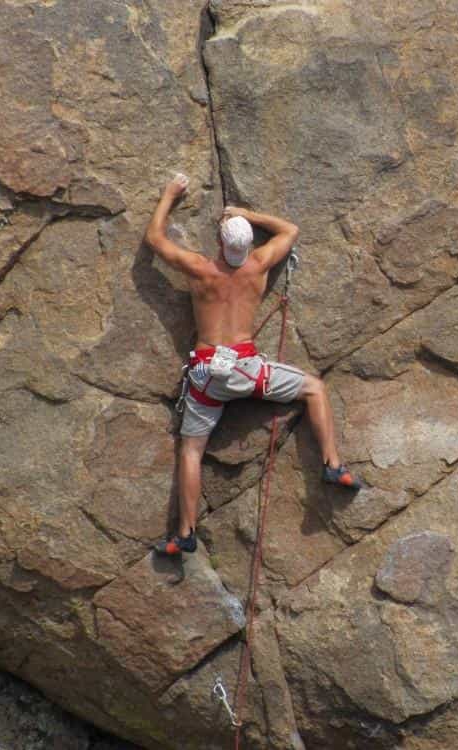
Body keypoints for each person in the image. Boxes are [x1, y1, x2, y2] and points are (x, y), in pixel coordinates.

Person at [143, 174, 359, 556]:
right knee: (314, 389)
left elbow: (155, 239)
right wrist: (248, 214)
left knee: (191, 451)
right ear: (247, 246)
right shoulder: (259, 264)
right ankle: (333, 464)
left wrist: (169, 195)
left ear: (221, 242)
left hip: (208, 375)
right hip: (246, 371)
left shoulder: (200, 269)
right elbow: (291, 230)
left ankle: (185, 533)